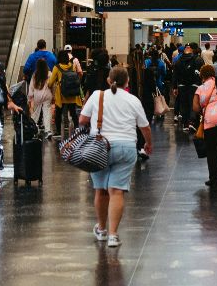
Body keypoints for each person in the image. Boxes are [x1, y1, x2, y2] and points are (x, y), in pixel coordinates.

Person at [80, 65, 151, 248]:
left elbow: (82, 120)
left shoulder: (97, 95)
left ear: (108, 80)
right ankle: (113, 235)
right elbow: (145, 126)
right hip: (126, 147)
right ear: (127, 82)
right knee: (117, 190)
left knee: (101, 190)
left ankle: (102, 230)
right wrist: (148, 144)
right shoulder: (133, 99)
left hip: (99, 146)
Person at [51, 48, 85, 137]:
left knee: (59, 113)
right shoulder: (72, 65)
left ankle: (58, 132)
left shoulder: (56, 67)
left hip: (61, 95)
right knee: (73, 112)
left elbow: (50, 82)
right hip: (71, 93)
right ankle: (77, 128)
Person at [27, 61, 55, 140]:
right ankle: (48, 130)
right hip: (47, 94)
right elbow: (53, 85)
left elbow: (31, 87)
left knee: (35, 113)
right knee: (47, 112)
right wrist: (53, 96)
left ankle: (34, 129)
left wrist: (30, 97)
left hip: (37, 95)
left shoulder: (35, 74)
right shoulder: (49, 74)